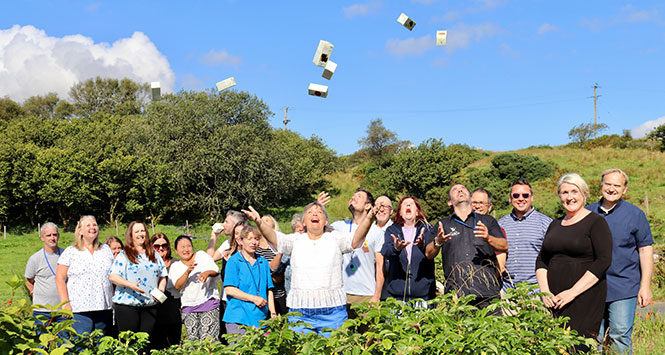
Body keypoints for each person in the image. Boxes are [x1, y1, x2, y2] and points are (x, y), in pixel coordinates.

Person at [243, 202, 375, 336]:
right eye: (310, 212)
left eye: (319, 212)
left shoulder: (335, 238)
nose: (315, 214)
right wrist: (259, 222)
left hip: (333, 313)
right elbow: (275, 238)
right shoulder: (295, 240)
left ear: (326, 221)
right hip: (300, 314)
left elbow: (356, 240)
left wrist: (369, 218)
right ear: (304, 222)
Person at [536, 173, 612, 352]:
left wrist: (572, 292)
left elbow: (603, 260)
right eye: (564, 192)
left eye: (574, 191)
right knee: (554, 346)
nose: (569, 197)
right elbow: (542, 260)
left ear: (584, 194)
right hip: (554, 299)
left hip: (584, 298)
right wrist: (545, 291)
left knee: (576, 347)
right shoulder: (554, 224)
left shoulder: (596, 222)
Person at [587, 168, 654, 354]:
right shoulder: (586, 213)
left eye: (617, 185)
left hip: (624, 286)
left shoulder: (635, 214)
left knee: (619, 336)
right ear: (601, 185)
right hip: (591, 287)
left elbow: (645, 250)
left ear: (624, 189)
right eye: (608, 184)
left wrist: (645, 286)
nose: (611, 188)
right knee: (594, 338)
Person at [426, 184, 508, 309]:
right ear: (449, 202)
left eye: (463, 188)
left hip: (487, 293)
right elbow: (428, 254)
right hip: (456, 296)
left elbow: (504, 246)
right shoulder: (442, 224)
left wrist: (488, 238)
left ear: (470, 198)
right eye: (454, 190)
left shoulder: (488, 221)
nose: (459, 190)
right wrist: (437, 242)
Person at [108, 221, 167, 348]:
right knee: (129, 344)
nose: (140, 234)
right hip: (128, 306)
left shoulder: (154, 254)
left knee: (145, 344)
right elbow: (113, 276)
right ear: (131, 235)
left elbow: (162, 275)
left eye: (142, 231)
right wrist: (130, 284)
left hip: (150, 305)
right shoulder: (124, 255)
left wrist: (161, 290)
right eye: (137, 231)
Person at [55, 215, 114, 336]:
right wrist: (65, 303)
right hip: (79, 309)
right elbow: (59, 278)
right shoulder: (71, 252)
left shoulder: (105, 250)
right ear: (80, 231)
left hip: (103, 307)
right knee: (81, 344)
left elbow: (114, 275)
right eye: (88, 225)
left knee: (102, 345)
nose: (92, 228)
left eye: (95, 225)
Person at [331, 188, 385, 305]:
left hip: (365, 295)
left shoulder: (377, 232)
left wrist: (377, 295)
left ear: (367, 206)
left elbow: (381, 266)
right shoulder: (337, 227)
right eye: (353, 196)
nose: (353, 198)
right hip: (340, 292)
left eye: (359, 196)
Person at [498, 179, 552, 292]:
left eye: (525, 195)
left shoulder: (546, 223)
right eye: (516, 195)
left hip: (536, 292)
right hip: (507, 292)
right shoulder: (500, 224)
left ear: (532, 197)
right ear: (510, 198)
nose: (521, 199)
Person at [381, 196, 435, 305]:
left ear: (417, 212)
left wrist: (422, 245)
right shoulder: (392, 230)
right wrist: (396, 248)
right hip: (397, 297)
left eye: (412, 204)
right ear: (400, 213)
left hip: (422, 297)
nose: (408, 205)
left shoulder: (427, 229)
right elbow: (385, 251)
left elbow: (432, 252)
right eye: (405, 204)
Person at [223, 225, 276, 334]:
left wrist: (273, 313)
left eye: (256, 239)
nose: (253, 242)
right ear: (240, 241)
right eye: (249, 239)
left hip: (260, 319)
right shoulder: (234, 261)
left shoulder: (263, 262)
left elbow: (269, 290)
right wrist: (254, 299)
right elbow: (229, 289)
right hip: (238, 318)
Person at [169, 235, 221, 340]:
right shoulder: (175, 266)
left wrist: (207, 273)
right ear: (176, 251)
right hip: (189, 307)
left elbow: (216, 271)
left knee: (209, 340)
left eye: (188, 246)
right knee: (193, 342)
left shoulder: (201, 256)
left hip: (208, 302)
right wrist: (187, 272)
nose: (186, 249)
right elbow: (178, 286)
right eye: (182, 247)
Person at [25, 222, 65, 329]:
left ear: (58, 236)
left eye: (54, 235)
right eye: (48, 235)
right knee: (42, 343)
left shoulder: (66, 255)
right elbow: (28, 280)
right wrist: (33, 291)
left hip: (63, 310)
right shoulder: (35, 258)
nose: (52, 238)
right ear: (42, 238)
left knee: (65, 343)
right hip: (42, 311)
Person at [150, 233, 182, 349]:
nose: (161, 248)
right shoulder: (149, 264)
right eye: (156, 246)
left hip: (173, 310)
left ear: (168, 247)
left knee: (174, 344)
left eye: (164, 245)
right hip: (155, 311)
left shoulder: (176, 263)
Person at [256, 215, 288, 316]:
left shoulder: (279, 246)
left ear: (273, 227)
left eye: (267, 220)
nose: (263, 222)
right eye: (262, 220)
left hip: (278, 294)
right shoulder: (254, 247)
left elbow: (281, 273)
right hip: (260, 296)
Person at [471, 188, 507, 275]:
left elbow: (500, 266)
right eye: (474, 202)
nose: (477, 206)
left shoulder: (497, 231)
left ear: (490, 207)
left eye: (481, 203)